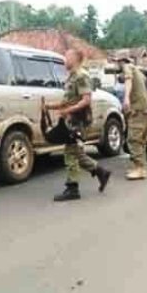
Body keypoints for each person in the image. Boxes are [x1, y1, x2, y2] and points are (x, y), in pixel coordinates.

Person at [44, 49, 111, 201]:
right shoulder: (72, 77)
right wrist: (50, 107)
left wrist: (68, 110)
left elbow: (86, 100)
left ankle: (72, 188)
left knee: (70, 153)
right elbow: (67, 101)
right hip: (71, 121)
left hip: (77, 121)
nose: (64, 60)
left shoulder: (81, 76)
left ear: (74, 58)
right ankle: (101, 172)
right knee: (77, 153)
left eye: (67, 57)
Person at [116, 56, 147, 180]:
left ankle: (140, 169)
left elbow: (128, 79)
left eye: (117, 63)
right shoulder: (141, 74)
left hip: (138, 110)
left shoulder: (127, 67)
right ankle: (139, 166)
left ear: (121, 62)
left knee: (133, 140)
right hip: (146, 109)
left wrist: (126, 97)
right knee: (142, 139)